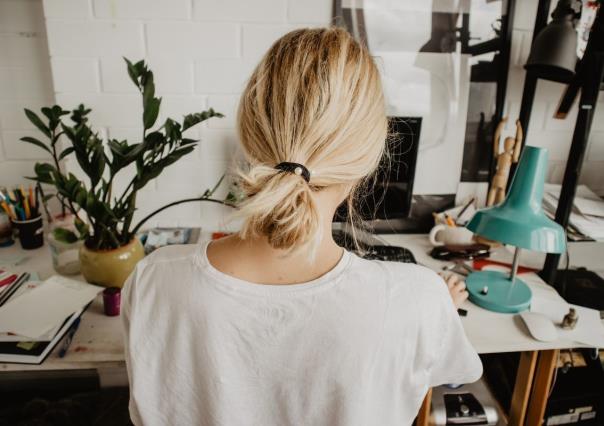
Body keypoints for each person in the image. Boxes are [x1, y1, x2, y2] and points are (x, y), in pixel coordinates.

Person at [122, 27, 482, 426]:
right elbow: (455, 374)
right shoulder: (418, 299)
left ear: (249, 134)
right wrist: (433, 311)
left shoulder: (152, 279)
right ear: (367, 160)